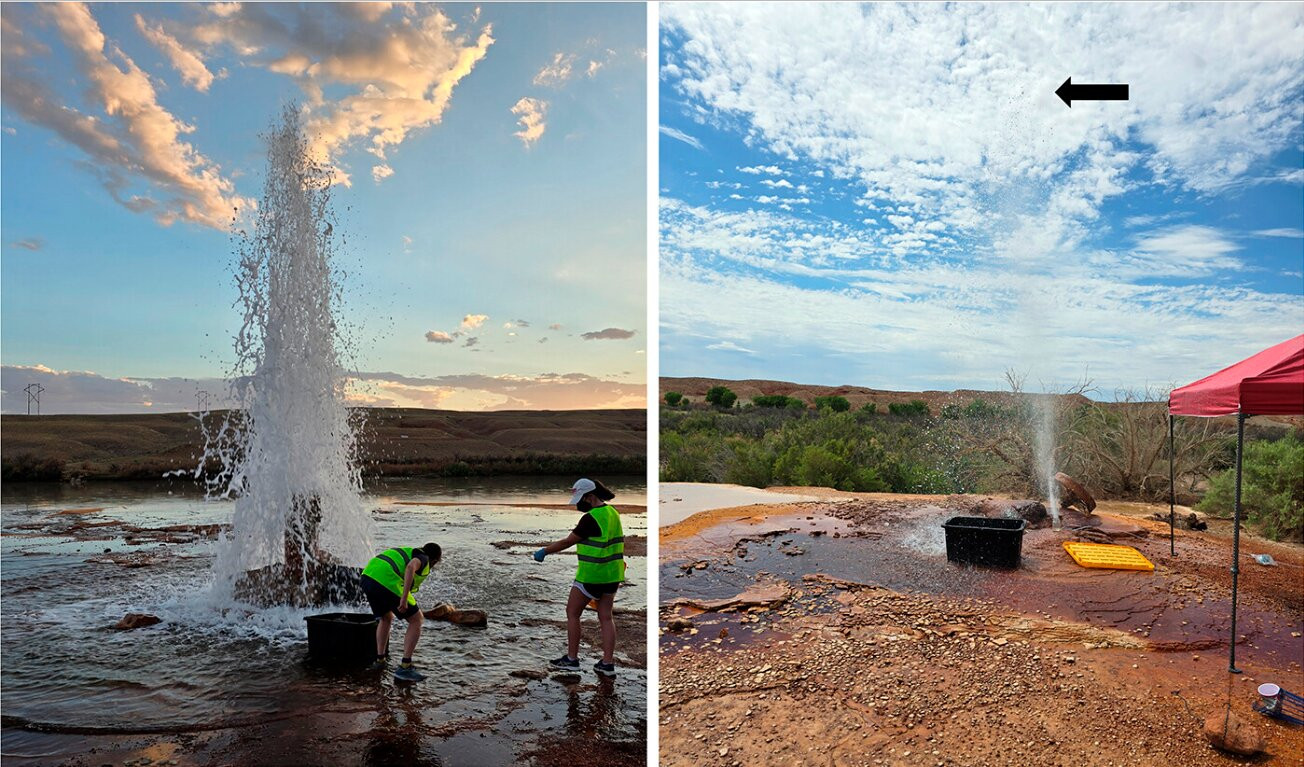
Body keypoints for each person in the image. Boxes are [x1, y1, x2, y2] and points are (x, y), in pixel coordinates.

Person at [533, 478, 625, 677]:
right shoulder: (612, 512)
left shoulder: (590, 519)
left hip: (591, 576)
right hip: (613, 575)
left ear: (589, 497)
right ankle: (607, 664)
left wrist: (544, 551)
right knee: (606, 617)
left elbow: (568, 542)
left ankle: (572, 659)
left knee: (572, 613)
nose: (577, 504)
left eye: (579, 499)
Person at [360, 542, 442, 682]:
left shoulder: (411, 551)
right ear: (435, 560)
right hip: (386, 579)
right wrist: (403, 599)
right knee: (417, 619)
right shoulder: (423, 558)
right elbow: (410, 567)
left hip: (368, 576)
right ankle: (405, 666)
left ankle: (380, 660)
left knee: (385, 618)